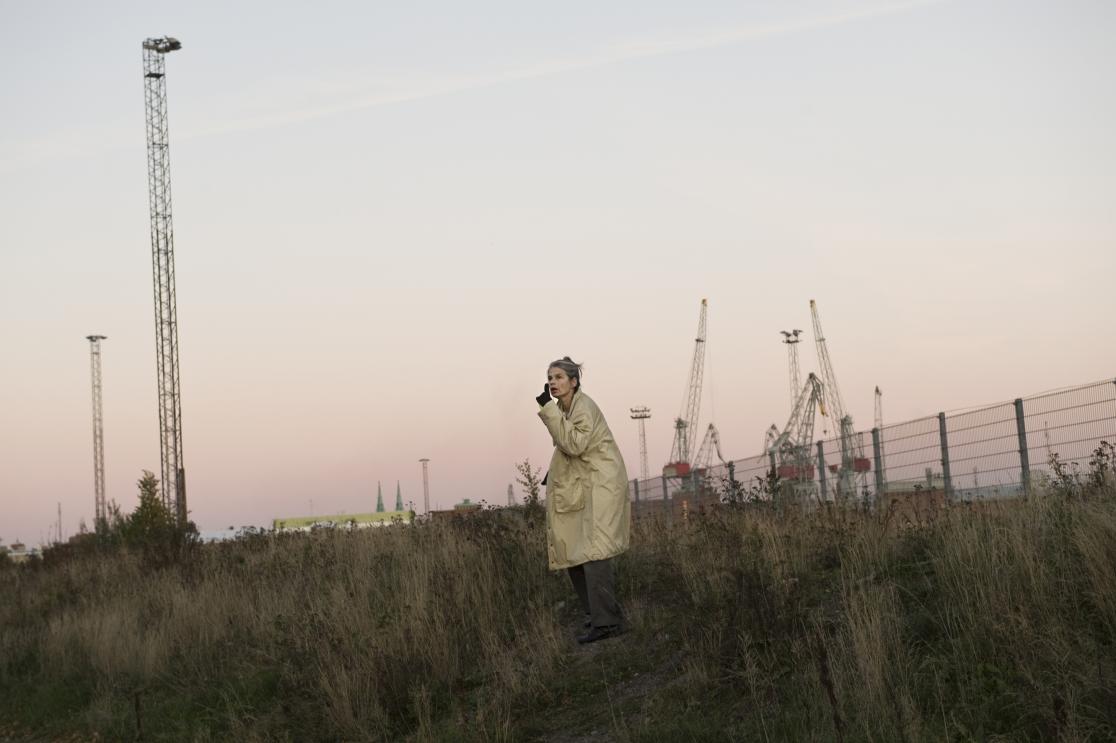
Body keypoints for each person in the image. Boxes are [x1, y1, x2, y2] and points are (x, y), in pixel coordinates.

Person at [535, 356, 631, 644]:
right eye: (550, 378)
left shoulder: (583, 407)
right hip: (584, 485)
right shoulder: (566, 409)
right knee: (573, 553)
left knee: (594, 553)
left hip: (600, 486)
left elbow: (575, 444)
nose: (553, 382)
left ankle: (608, 623)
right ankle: (596, 615)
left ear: (574, 382)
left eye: (559, 377)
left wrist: (548, 411)